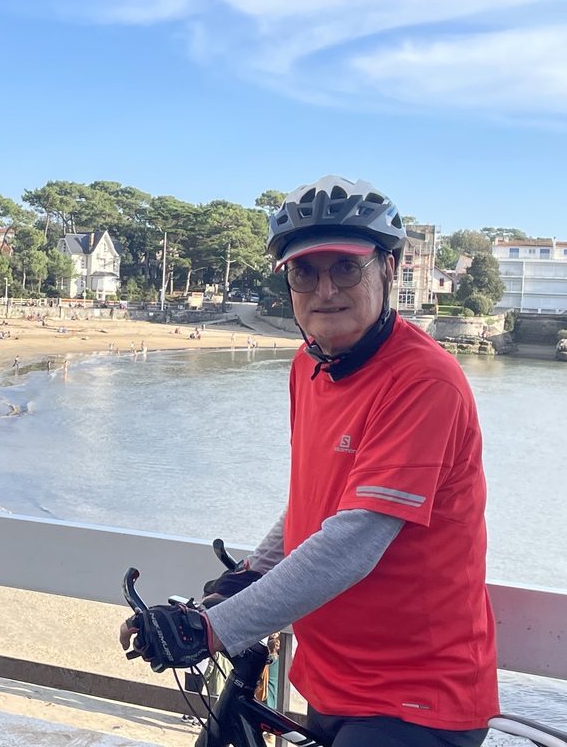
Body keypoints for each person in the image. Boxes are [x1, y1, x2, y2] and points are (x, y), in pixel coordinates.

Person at [120, 176, 498, 746]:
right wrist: (254, 571)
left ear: (388, 270)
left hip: (418, 697)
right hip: (331, 680)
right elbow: (315, 496)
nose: (325, 290)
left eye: (346, 268)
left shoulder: (424, 381)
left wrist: (209, 628)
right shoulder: (309, 366)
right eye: (304, 272)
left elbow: (355, 540)